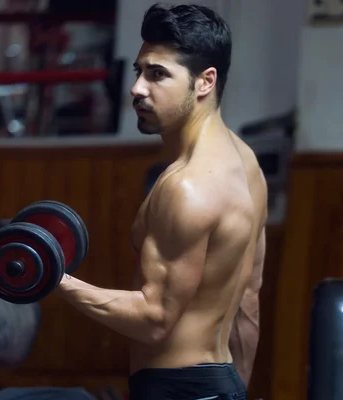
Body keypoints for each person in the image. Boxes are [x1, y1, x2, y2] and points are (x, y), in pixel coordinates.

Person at [57, 3, 268, 400]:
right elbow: (249, 298)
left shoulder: (186, 187)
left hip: (176, 388)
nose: (137, 88)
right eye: (139, 71)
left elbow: (154, 319)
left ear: (205, 82)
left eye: (158, 75)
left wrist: (56, 280)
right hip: (218, 383)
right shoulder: (245, 163)